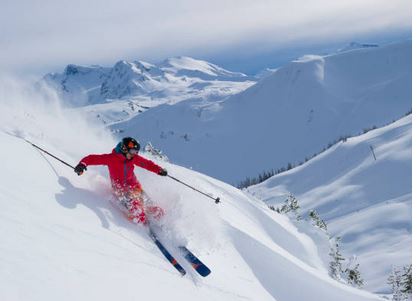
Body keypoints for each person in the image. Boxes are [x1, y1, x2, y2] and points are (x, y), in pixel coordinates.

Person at [74, 137, 168, 225]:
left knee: (155, 210)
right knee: (139, 213)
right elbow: (92, 158)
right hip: (121, 191)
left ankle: (161, 224)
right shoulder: (111, 158)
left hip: (135, 187)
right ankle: (141, 227)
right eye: (132, 151)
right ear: (124, 149)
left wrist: (158, 170)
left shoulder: (132, 158)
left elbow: (147, 164)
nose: (134, 154)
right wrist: (82, 164)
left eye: (136, 152)